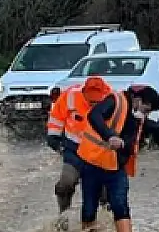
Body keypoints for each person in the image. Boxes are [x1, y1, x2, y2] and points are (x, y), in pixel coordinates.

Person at [76, 85, 159, 232]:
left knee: (120, 204)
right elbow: (94, 116)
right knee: (89, 207)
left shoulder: (136, 115)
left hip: (117, 166)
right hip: (92, 163)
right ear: (138, 100)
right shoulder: (115, 101)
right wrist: (109, 135)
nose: (145, 114)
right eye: (146, 109)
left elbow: (147, 126)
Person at [45, 76, 111, 214]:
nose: (93, 103)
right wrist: (53, 136)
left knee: (105, 192)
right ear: (84, 92)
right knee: (65, 184)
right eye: (90, 100)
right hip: (74, 149)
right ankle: (63, 215)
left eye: (96, 101)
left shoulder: (112, 100)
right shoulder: (70, 96)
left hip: (100, 152)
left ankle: (106, 220)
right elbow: (57, 116)